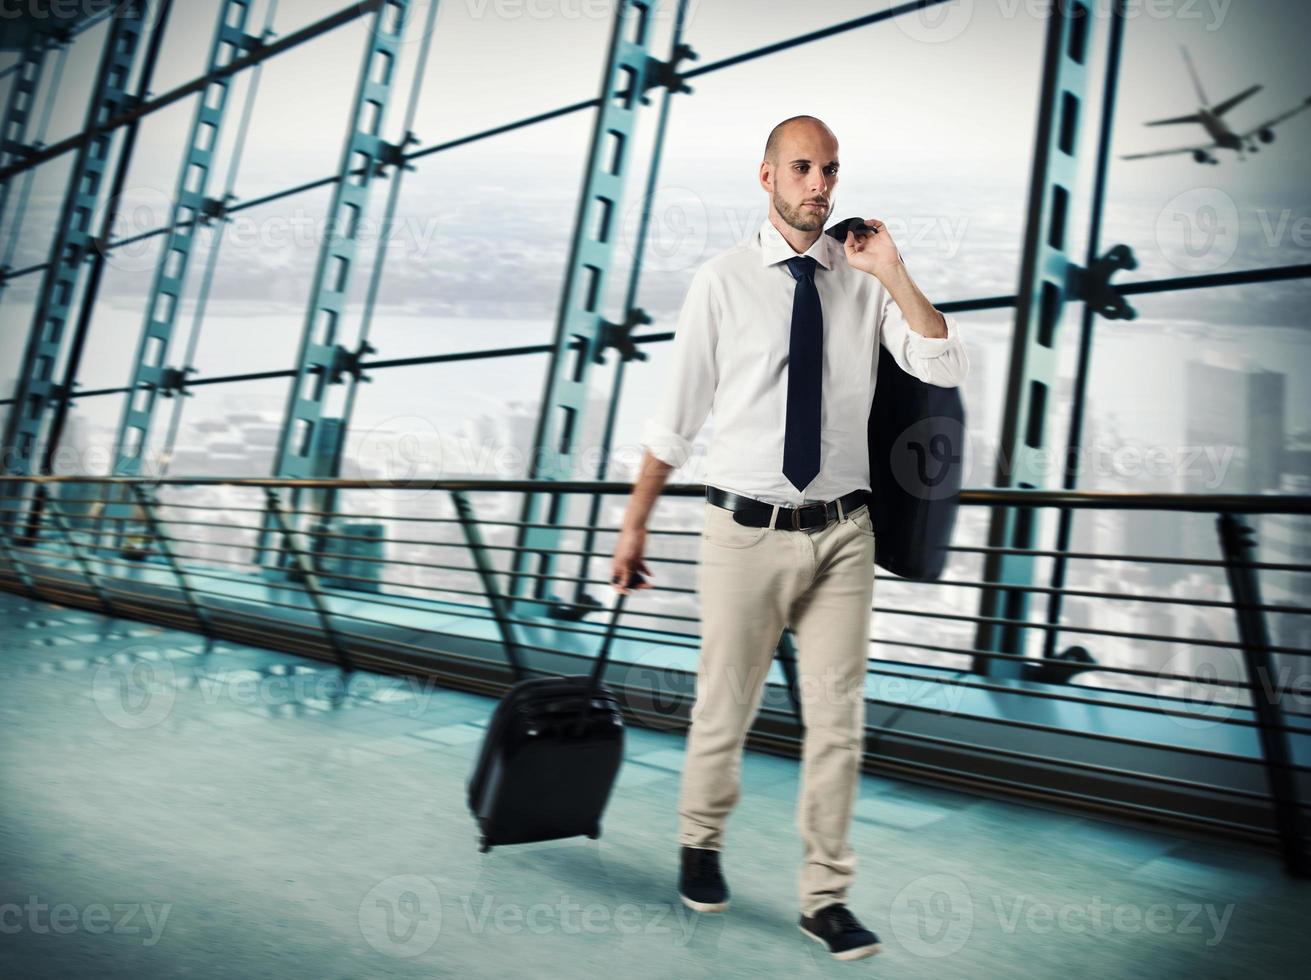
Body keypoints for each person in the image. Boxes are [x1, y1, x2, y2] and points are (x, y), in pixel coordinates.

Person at [610, 114, 969, 962]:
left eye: (830, 170)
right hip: (742, 531)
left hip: (842, 533)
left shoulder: (860, 280)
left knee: (837, 722)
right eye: (803, 167)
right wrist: (632, 528)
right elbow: (676, 421)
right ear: (765, 176)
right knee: (723, 707)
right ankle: (699, 844)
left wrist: (892, 269)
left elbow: (942, 363)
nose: (820, 184)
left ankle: (826, 897)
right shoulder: (722, 282)